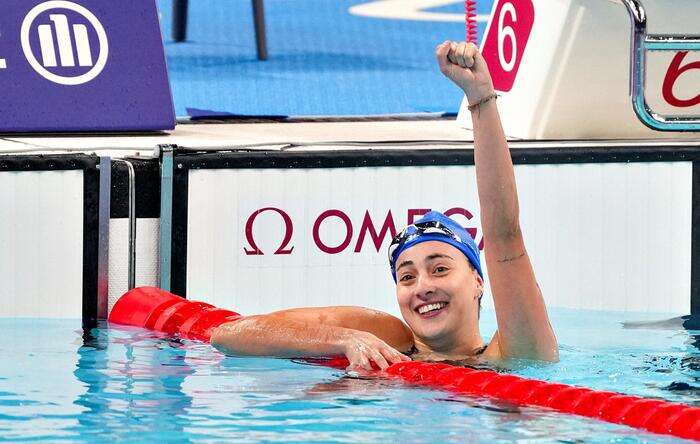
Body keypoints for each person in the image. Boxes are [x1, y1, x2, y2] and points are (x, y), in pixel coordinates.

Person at [211, 41, 559, 370]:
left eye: (440, 269)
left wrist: (481, 99)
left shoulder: (516, 351)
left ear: (478, 282)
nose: (422, 287)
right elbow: (230, 334)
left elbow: (505, 235)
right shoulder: (386, 337)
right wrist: (343, 338)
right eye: (407, 276)